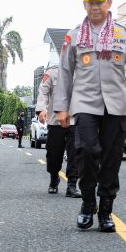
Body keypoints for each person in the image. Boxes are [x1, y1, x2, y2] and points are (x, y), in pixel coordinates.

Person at [53, 0, 126, 232]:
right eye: (90, 3)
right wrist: (61, 108)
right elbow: (65, 73)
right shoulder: (73, 36)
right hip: (84, 103)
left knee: (111, 158)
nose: (95, 7)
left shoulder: (123, 33)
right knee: (85, 151)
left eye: (100, 2)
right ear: (84, 5)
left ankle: (106, 209)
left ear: (109, 3)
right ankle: (87, 203)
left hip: (116, 104)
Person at [35, 62, 81, 197]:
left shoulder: (83, 72)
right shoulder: (52, 73)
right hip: (55, 121)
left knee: (75, 153)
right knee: (53, 154)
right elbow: (43, 92)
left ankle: (72, 185)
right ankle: (54, 177)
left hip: (75, 119)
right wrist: (41, 109)